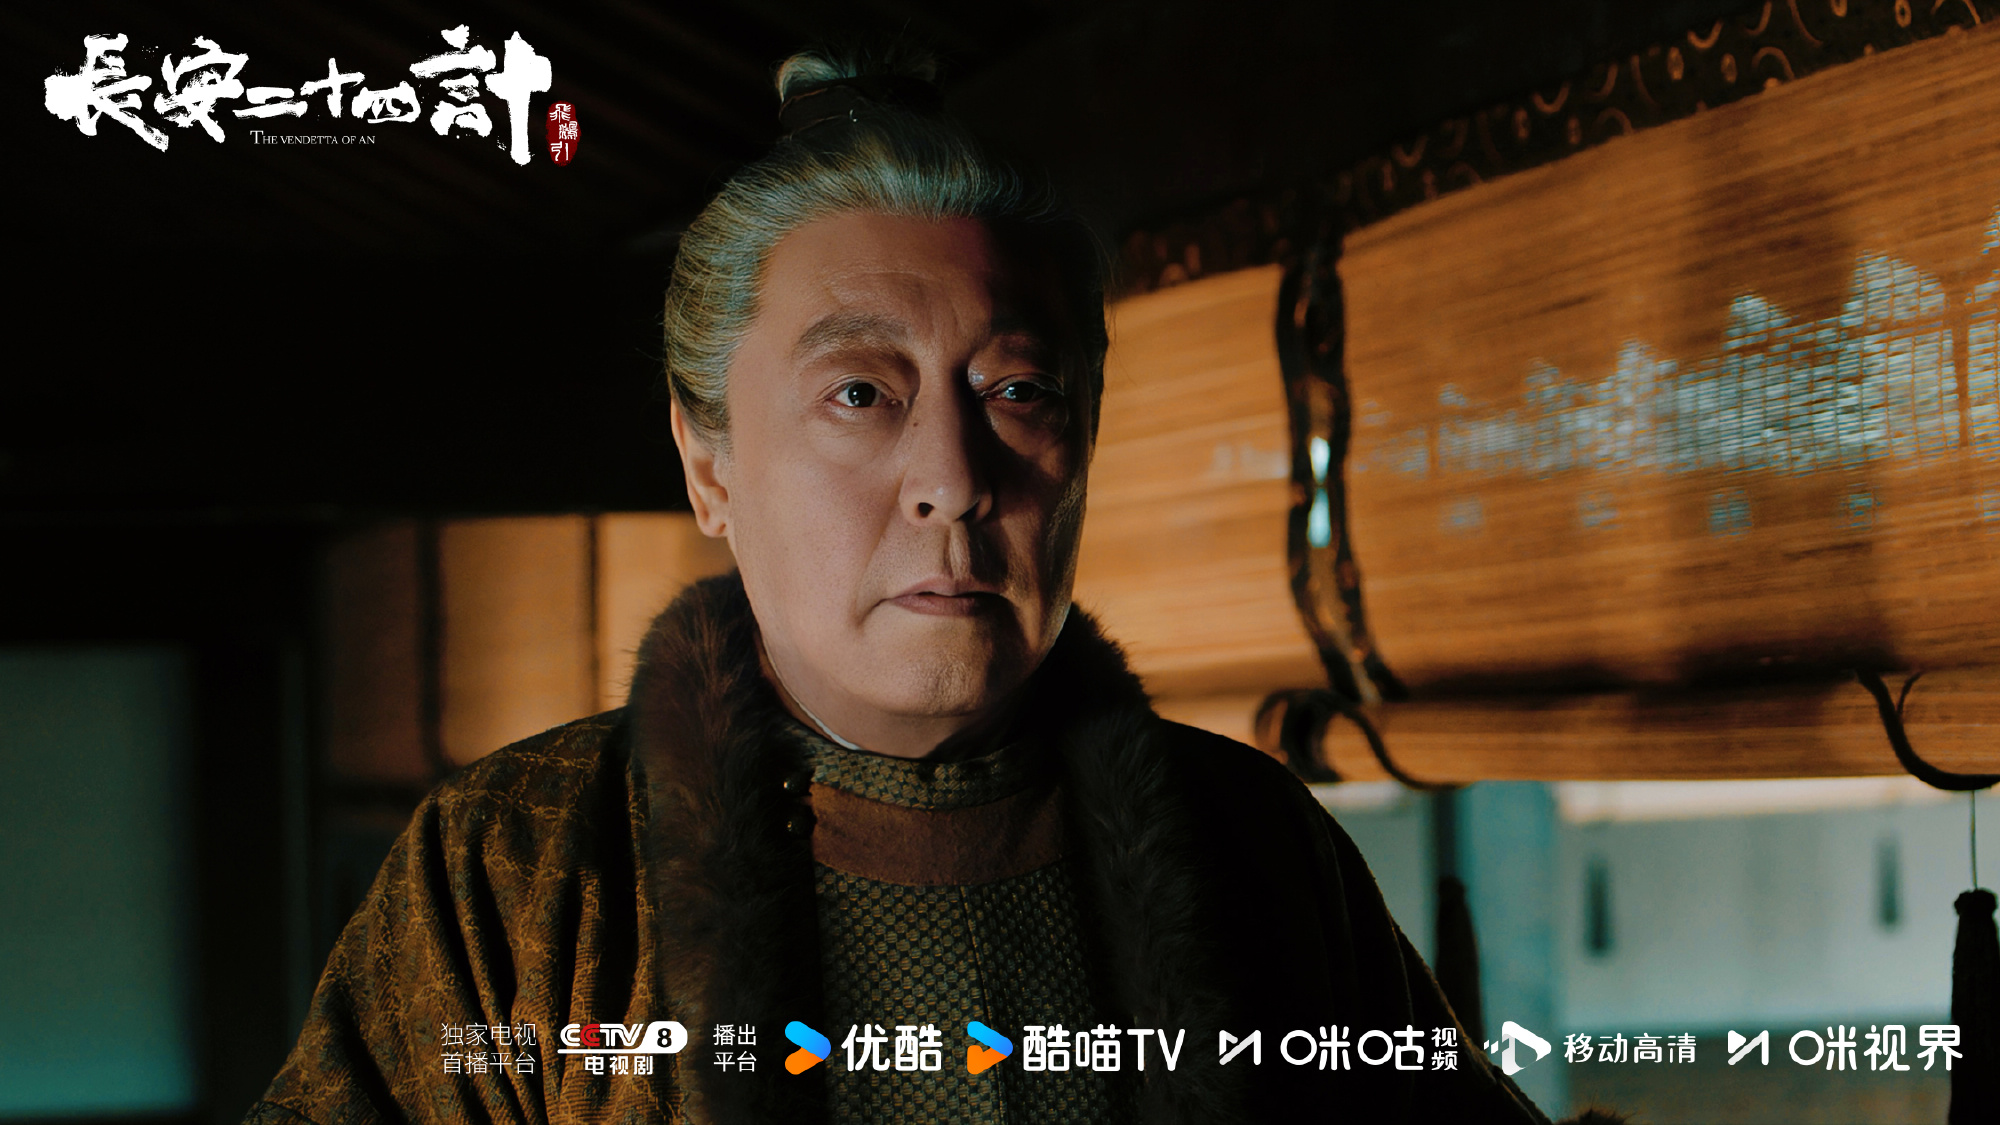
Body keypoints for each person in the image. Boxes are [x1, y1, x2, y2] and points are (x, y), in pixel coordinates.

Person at [246, 44, 1609, 1125]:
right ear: (709, 460)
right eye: (860, 392)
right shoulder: (526, 867)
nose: (952, 478)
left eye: (1018, 392)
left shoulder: (1247, 847)